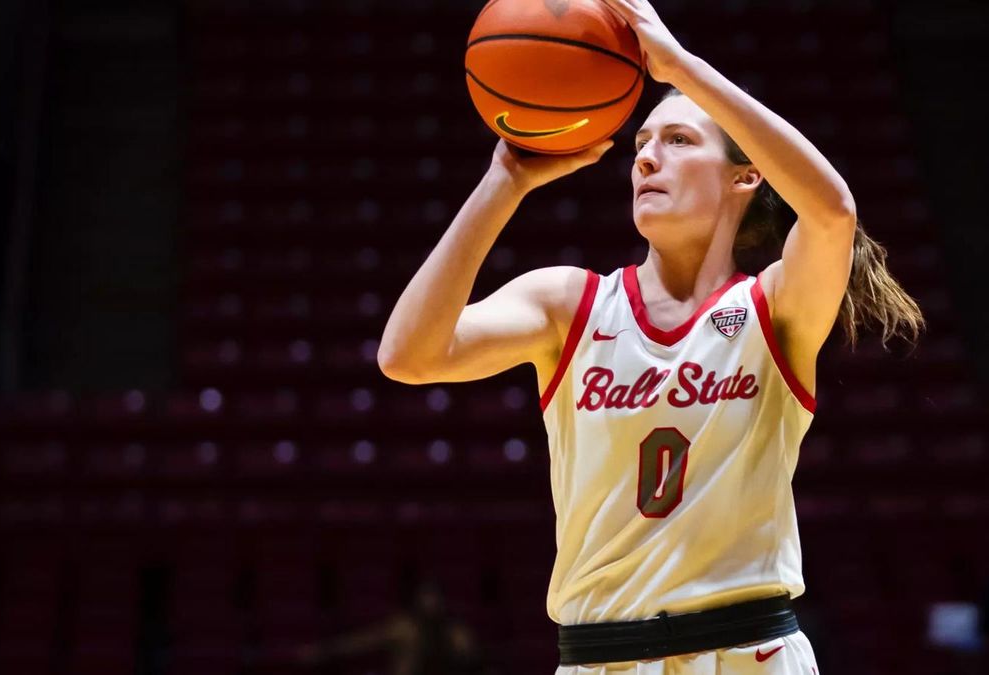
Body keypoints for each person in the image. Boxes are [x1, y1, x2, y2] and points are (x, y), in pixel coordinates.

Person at [378, 0, 924, 671]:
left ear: (746, 175)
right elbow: (406, 355)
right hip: (600, 657)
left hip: (747, 651)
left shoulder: (773, 308)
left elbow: (833, 208)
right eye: (640, 145)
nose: (646, 160)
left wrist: (682, 68)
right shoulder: (569, 303)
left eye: (679, 142)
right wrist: (503, 184)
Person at [295, 578, 484, 675]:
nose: (431, 603)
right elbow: (361, 642)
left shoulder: (456, 633)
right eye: (426, 597)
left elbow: (474, 661)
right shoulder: (403, 628)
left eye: (434, 598)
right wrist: (323, 651)